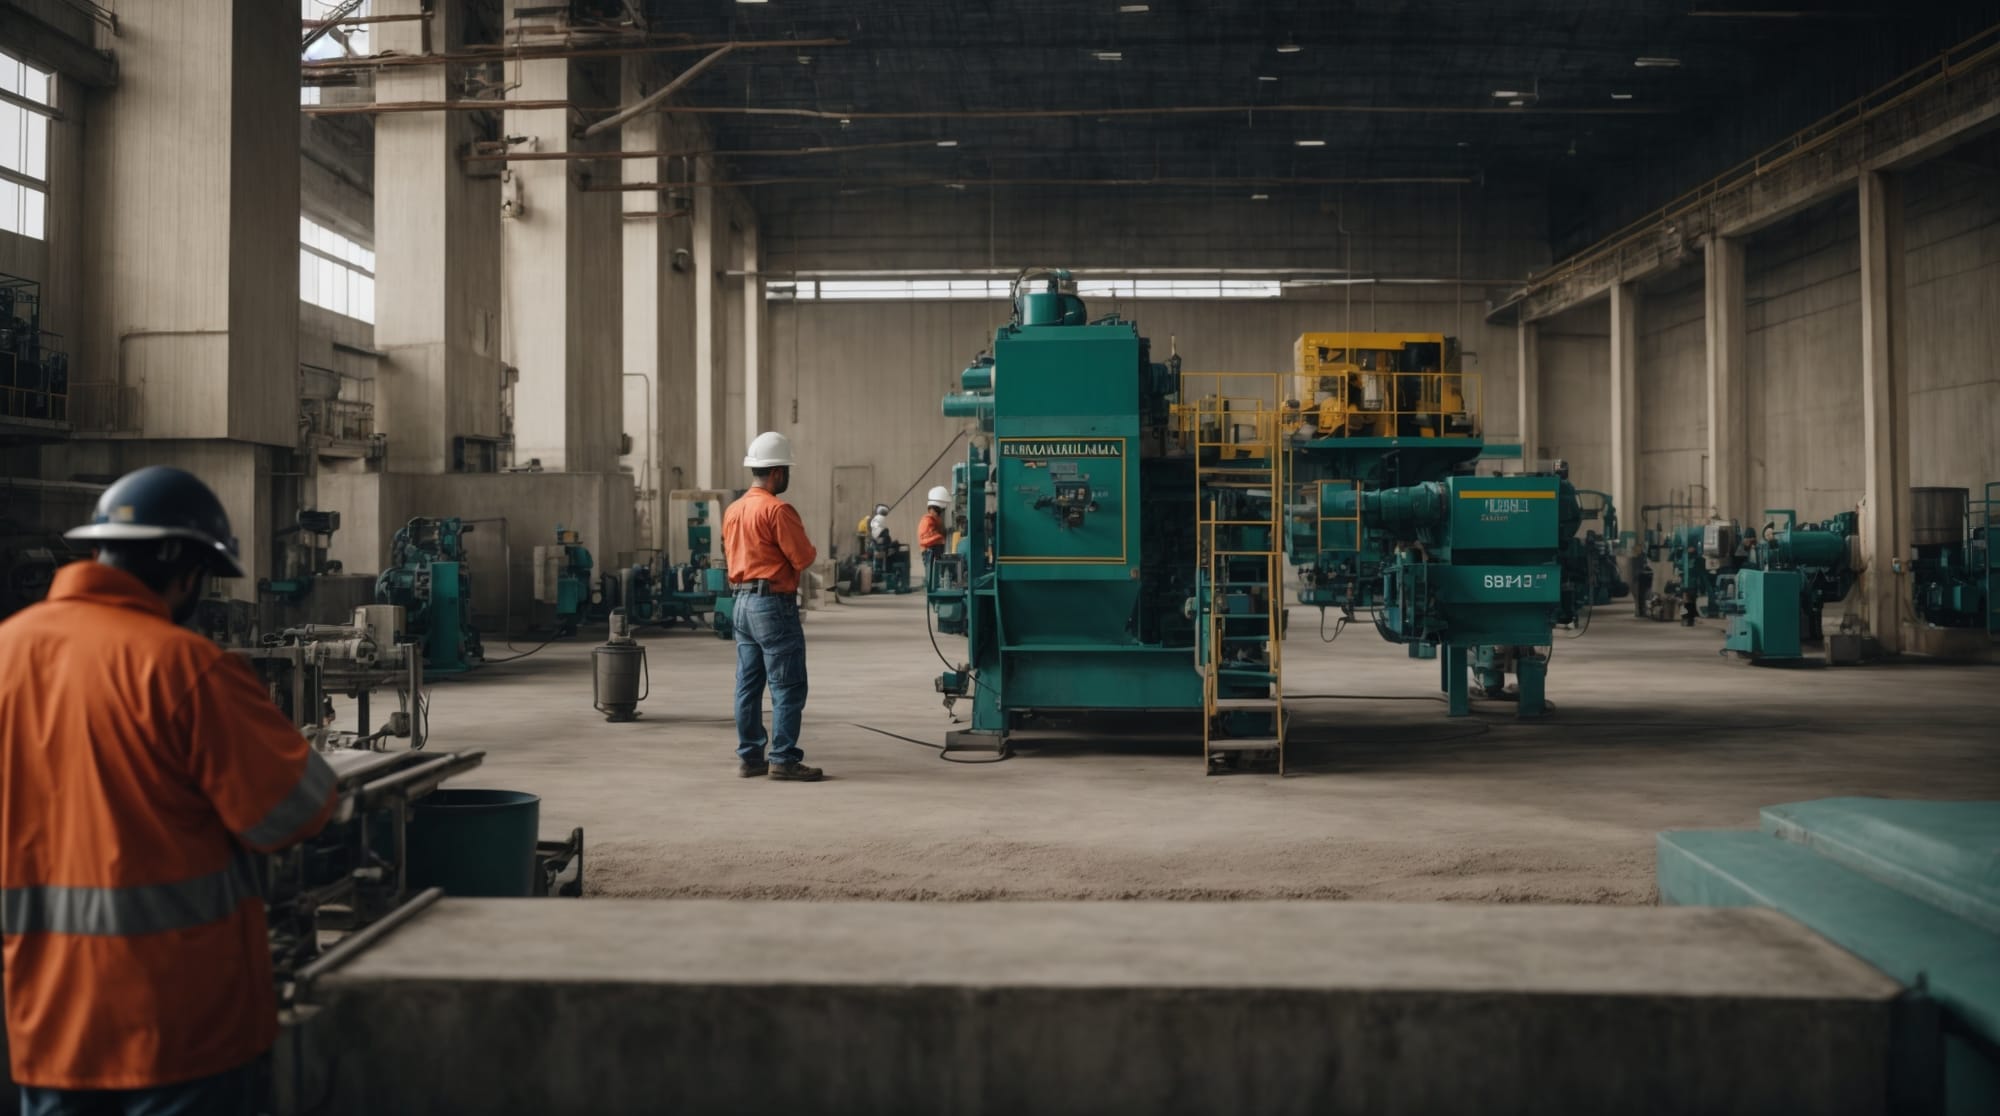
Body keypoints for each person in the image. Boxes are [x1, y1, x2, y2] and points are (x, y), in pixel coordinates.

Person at [0, 466, 339, 1115]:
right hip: (183, 1033)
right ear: (185, 570)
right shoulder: (186, 668)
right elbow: (298, 810)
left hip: (47, 1026)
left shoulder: (6, 654)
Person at [722, 432, 823, 782]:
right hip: (771, 606)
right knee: (787, 684)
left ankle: (751, 758)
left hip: (741, 604)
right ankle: (782, 758)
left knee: (748, 684)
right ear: (778, 472)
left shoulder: (734, 510)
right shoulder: (777, 510)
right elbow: (804, 557)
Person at [919, 486, 949, 564]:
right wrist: (942, 538)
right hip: (930, 554)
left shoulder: (935, 520)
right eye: (940, 511)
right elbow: (925, 540)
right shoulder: (927, 521)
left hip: (934, 553)